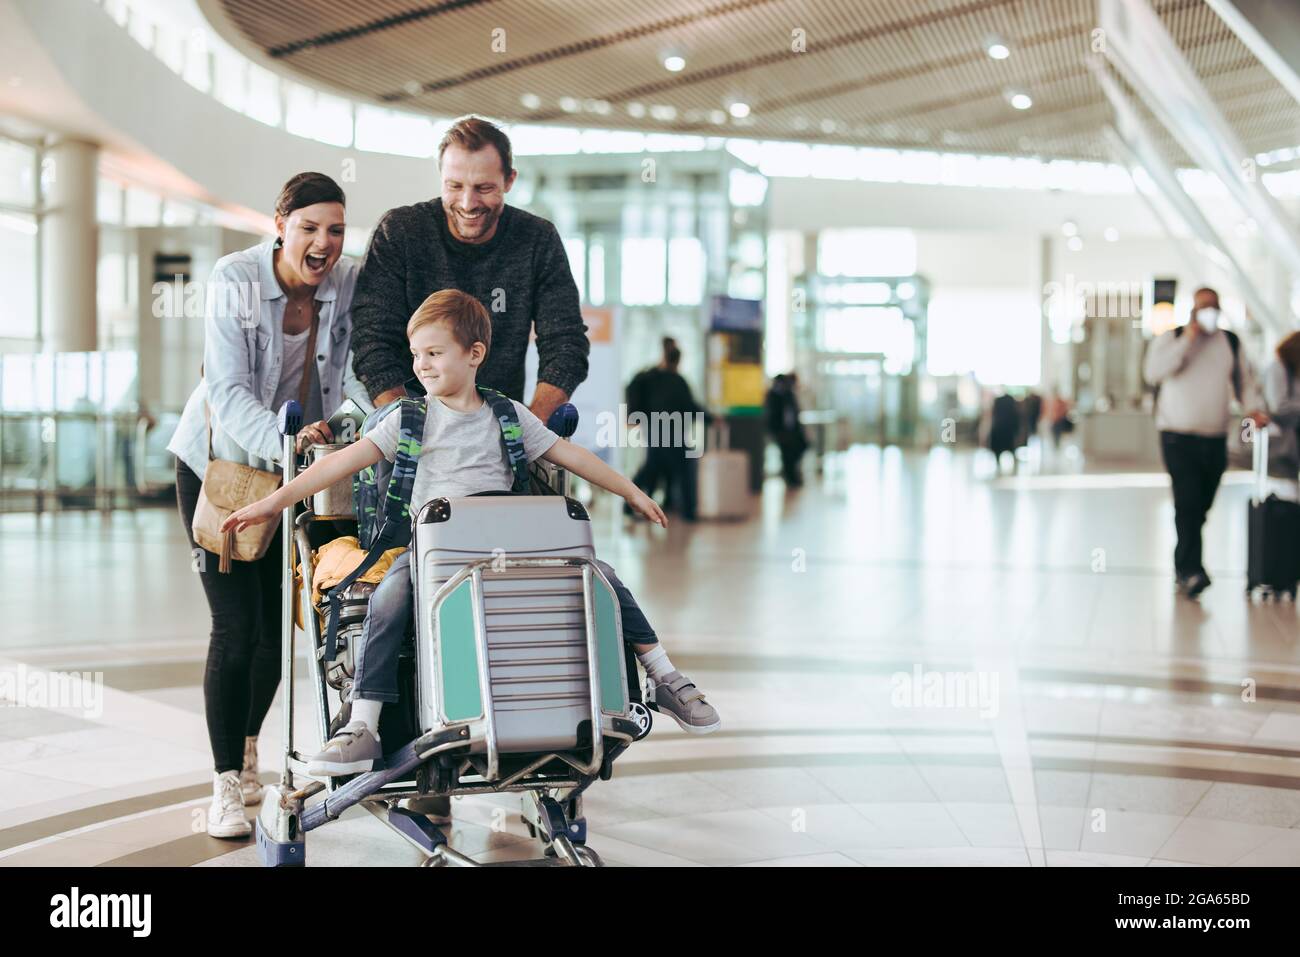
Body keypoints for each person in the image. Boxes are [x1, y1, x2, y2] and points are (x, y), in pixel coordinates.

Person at [221, 290, 722, 777]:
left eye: (435, 352)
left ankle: (663, 676)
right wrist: (269, 503)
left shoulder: (507, 416)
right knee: (389, 595)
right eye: (417, 354)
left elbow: (574, 457)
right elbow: (335, 468)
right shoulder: (407, 420)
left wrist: (631, 491)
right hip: (432, 550)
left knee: (603, 577)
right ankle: (363, 723)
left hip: (507, 548)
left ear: (475, 354)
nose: (421, 365)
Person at [167, 173, 373, 838]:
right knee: (234, 627)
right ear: (280, 223)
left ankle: (249, 748)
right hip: (220, 471)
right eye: (310, 227)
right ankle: (227, 780)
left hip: (288, 475)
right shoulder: (235, 277)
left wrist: (371, 427)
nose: (324, 243)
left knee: (271, 639)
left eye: (336, 229)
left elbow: (357, 373)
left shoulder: (348, 282)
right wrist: (288, 437)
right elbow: (226, 392)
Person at [350, 115, 588, 424]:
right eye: (455, 186)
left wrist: (529, 428)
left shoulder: (537, 240)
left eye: (484, 188)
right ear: (441, 178)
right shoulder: (400, 232)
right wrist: (412, 425)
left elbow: (566, 342)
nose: (467, 202)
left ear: (509, 180)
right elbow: (372, 340)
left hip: (501, 435)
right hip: (407, 433)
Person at [1142, 287, 1268, 598]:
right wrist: (1188, 340)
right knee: (1187, 501)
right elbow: (1154, 372)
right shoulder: (1172, 338)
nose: (1209, 311)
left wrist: (1253, 410)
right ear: (1192, 310)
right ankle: (1190, 570)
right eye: (1203, 307)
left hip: (1214, 437)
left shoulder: (1229, 342)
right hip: (1177, 436)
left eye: (1214, 306)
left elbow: (1244, 382)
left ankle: (1185, 562)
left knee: (1201, 505)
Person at [625, 337, 706, 518]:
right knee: (680, 469)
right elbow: (690, 407)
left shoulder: (650, 378)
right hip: (672, 434)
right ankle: (688, 512)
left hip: (655, 432)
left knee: (652, 470)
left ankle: (632, 503)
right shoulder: (676, 381)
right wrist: (709, 418)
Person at [1261, 330, 1300, 498]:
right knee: (1287, 492)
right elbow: (1278, 405)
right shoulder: (1278, 368)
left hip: (1293, 441)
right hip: (1283, 440)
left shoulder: (1294, 371)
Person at [765, 373, 809, 487]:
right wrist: (776, 431)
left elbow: (795, 412)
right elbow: (771, 415)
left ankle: (793, 476)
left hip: (793, 430)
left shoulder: (789, 394)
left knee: (799, 448)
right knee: (786, 454)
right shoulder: (773, 395)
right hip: (781, 431)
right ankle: (790, 478)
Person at [988, 389, 1020, 471]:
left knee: (999, 448)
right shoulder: (1011, 402)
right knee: (1010, 446)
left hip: (999, 427)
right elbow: (1016, 416)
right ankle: (1011, 460)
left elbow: (994, 415)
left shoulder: (998, 401)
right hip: (1008, 428)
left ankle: (998, 461)